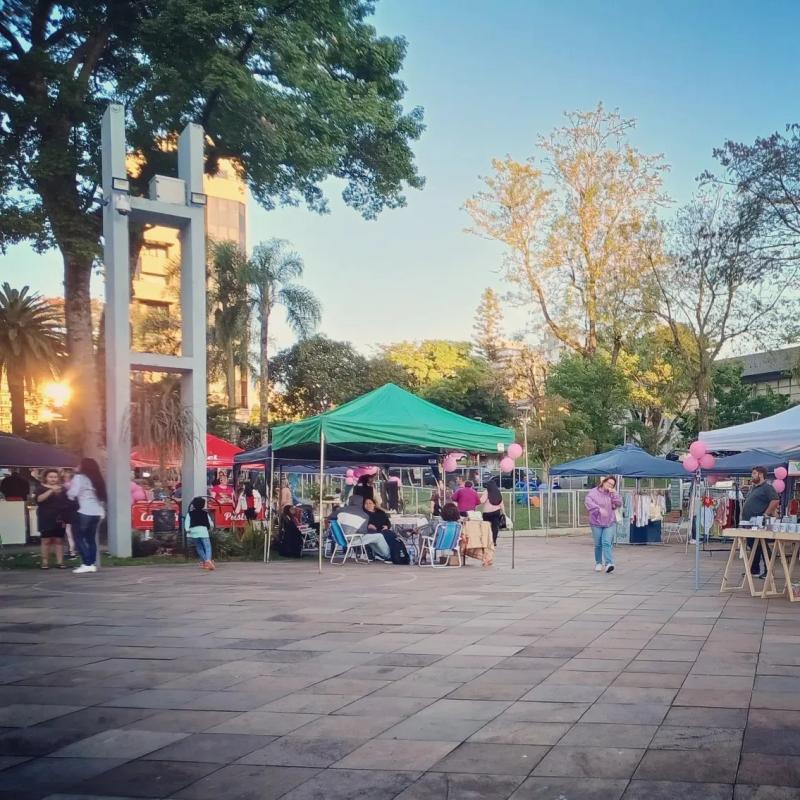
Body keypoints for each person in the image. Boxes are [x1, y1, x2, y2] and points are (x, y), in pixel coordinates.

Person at [67, 458, 106, 574]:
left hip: (83, 511)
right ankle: (92, 563)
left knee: (78, 537)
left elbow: (73, 493)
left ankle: (86, 563)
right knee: (91, 539)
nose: (77, 466)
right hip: (97, 512)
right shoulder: (98, 480)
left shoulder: (79, 478)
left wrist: (67, 491)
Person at [742, 466, 781, 579]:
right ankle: (754, 569)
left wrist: (766, 513)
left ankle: (769, 571)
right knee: (752, 544)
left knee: (762, 545)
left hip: (759, 521)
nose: (752, 476)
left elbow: (775, 500)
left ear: (761, 475)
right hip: (749, 522)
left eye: (754, 473)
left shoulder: (767, 488)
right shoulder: (754, 488)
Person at [585, 475, 622, 573]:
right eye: (608, 483)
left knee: (606, 542)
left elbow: (618, 504)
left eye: (612, 485)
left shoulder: (611, 493)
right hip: (596, 522)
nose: (609, 485)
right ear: (604, 482)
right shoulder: (593, 492)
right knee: (598, 544)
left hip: (609, 521)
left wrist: (615, 494)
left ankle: (609, 563)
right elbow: (588, 502)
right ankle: (598, 562)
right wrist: (599, 509)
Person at [37, 469, 69, 569]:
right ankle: (45, 562)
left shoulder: (63, 489)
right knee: (46, 540)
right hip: (45, 517)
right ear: (46, 478)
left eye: (55, 477)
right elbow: (39, 499)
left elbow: (67, 503)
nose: (53, 479)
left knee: (59, 540)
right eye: (50, 477)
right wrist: (51, 490)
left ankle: (60, 562)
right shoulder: (40, 488)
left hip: (59, 517)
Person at [184, 496, 215, 570]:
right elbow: (210, 524)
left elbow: (187, 523)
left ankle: (205, 561)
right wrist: (211, 528)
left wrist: (187, 530)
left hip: (193, 532)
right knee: (207, 547)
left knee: (199, 546)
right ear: (203, 505)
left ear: (193, 505)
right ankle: (208, 560)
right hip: (203, 531)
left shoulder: (190, 513)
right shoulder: (205, 513)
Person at [481, 479, 505, 545]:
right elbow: (501, 503)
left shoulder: (486, 492)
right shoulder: (498, 492)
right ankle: (493, 541)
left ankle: (486, 541)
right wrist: (503, 512)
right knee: (495, 528)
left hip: (487, 513)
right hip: (496, 512)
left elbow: (482, 501)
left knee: (486, 527)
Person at [61, 468, 78, 558]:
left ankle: (72, 551)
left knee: (69, 533)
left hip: (68, 513)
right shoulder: (76, 487)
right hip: (73, 512)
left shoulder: (64, 488)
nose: (65, 478)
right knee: (71, 533)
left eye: (67, 476)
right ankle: (71, 550)